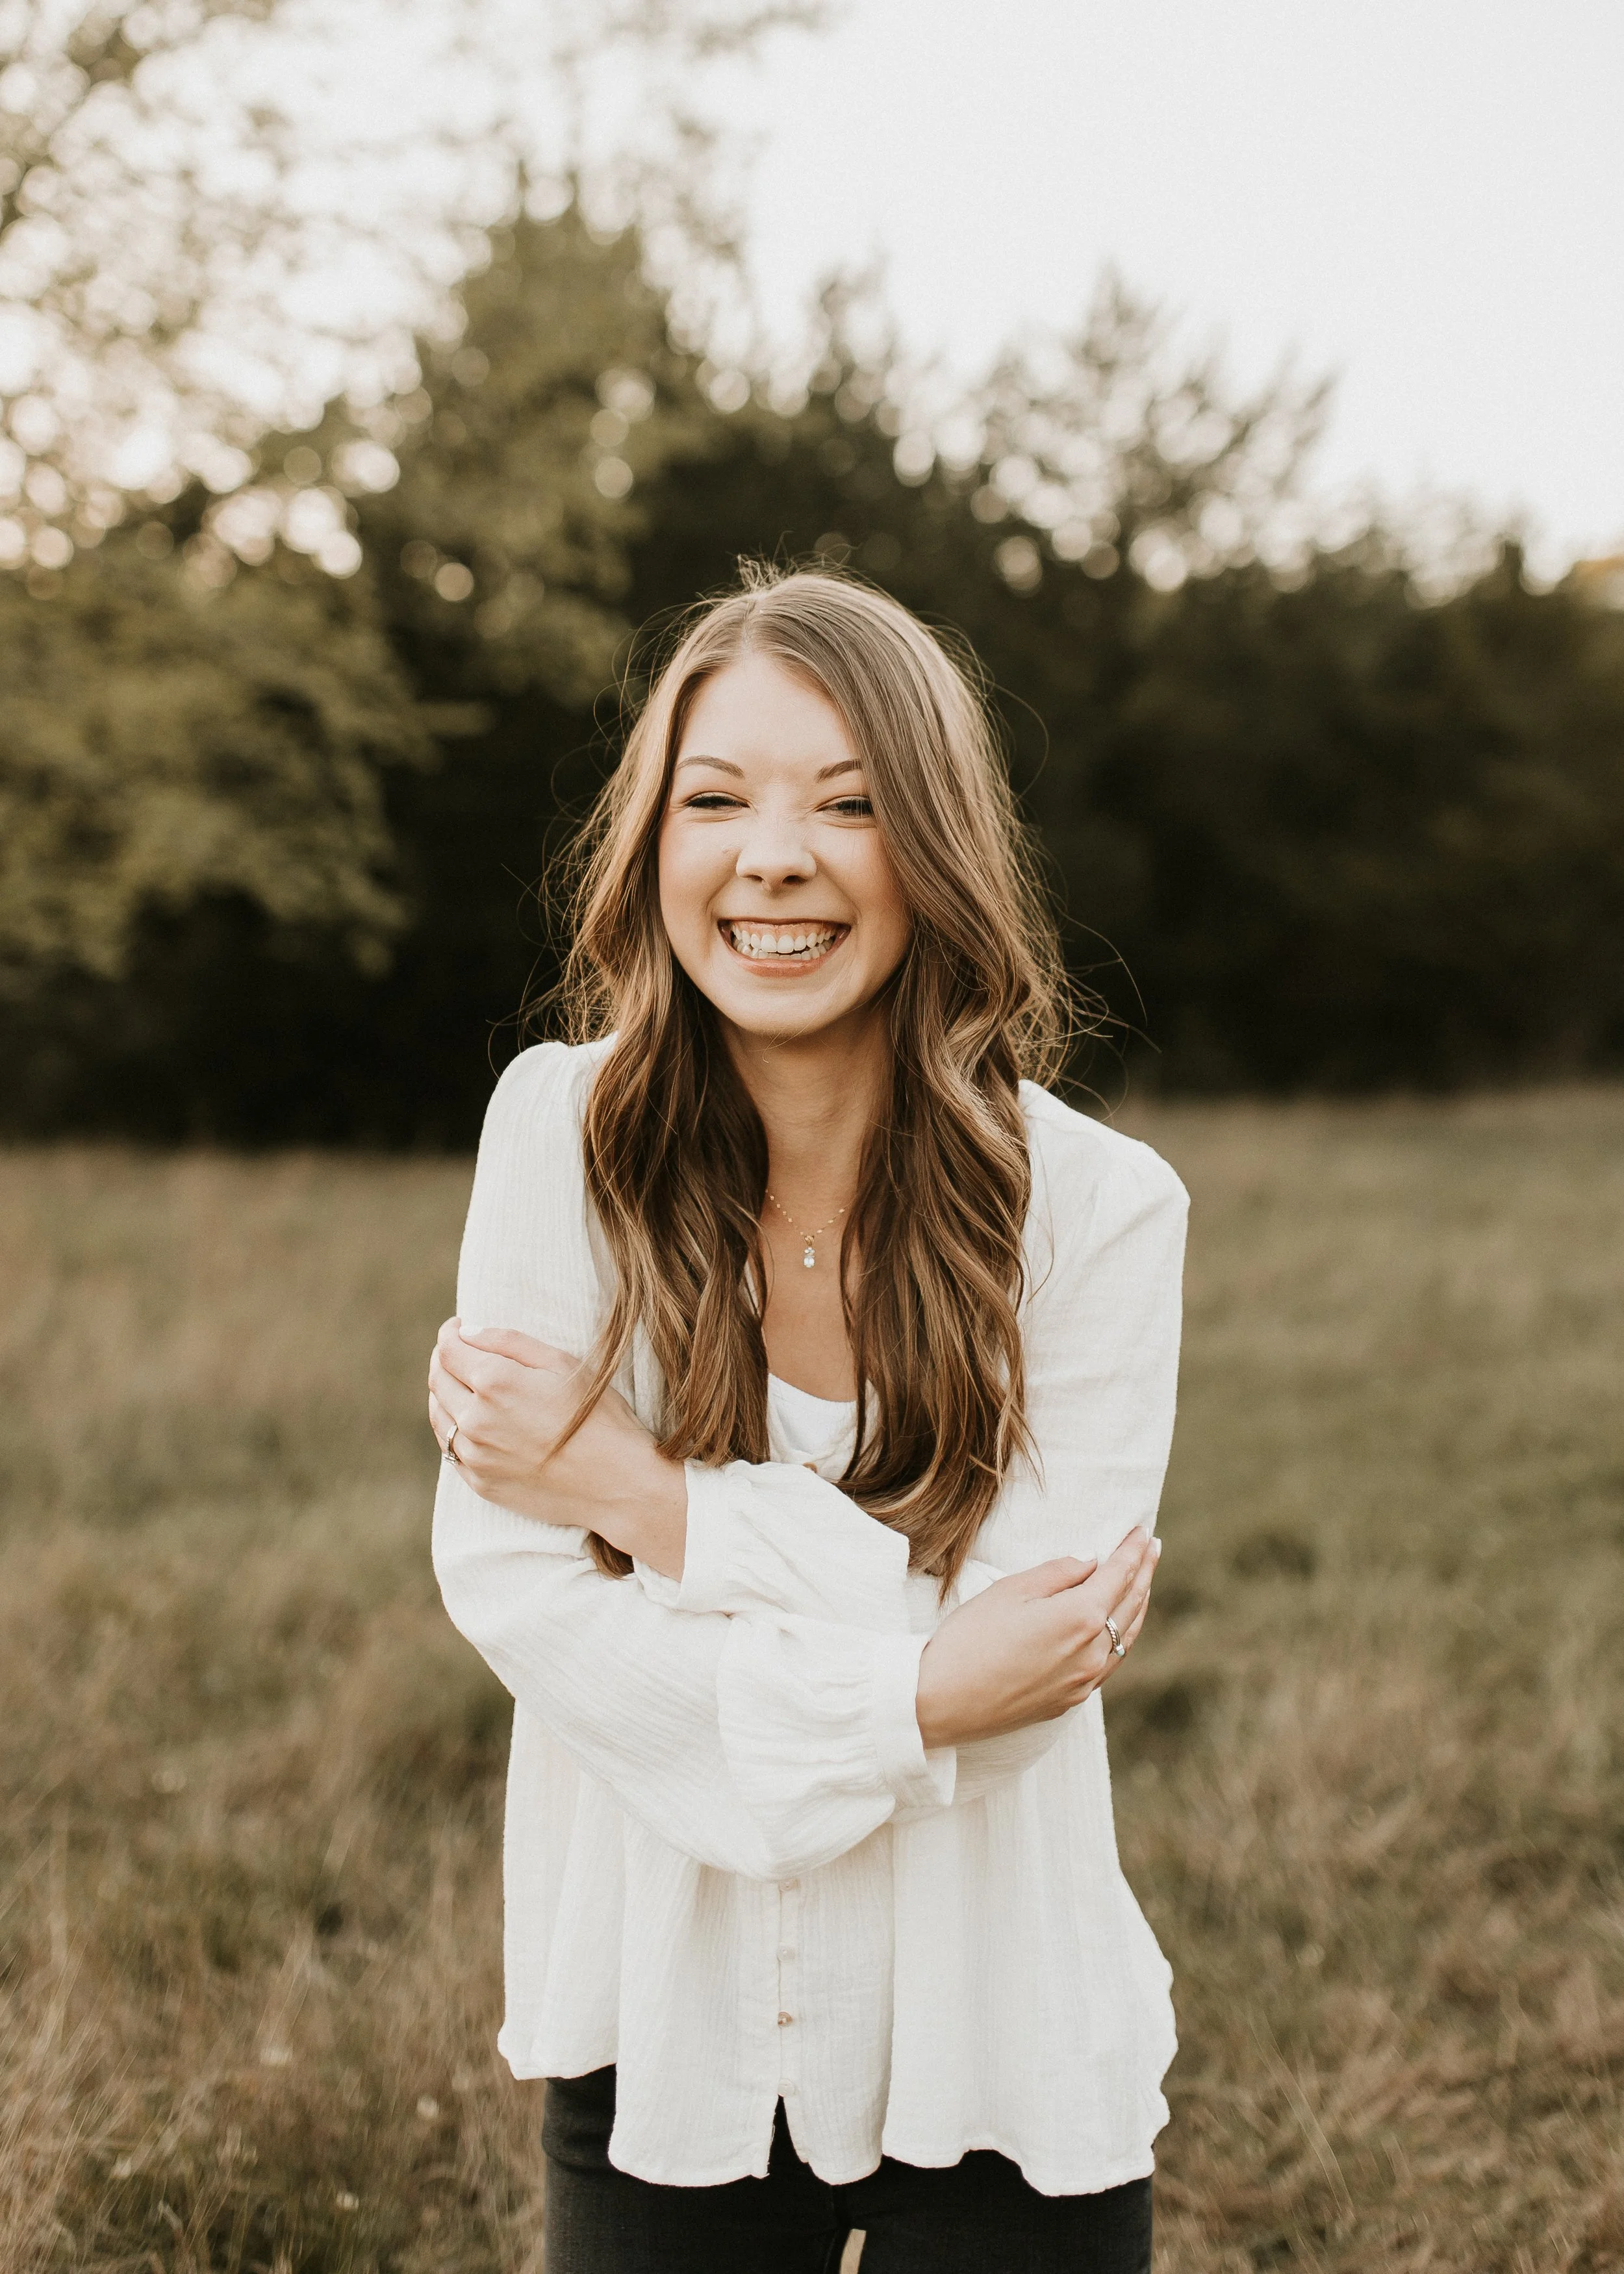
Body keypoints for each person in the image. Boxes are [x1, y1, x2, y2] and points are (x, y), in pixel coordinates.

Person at [427, 565, 1187, 2274]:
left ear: (936, 847)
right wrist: (919, 1679)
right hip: (665, 2009)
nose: (773, 852)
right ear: (654, 844)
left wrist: (643, 1493)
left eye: (846, 802)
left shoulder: (1099, 1208)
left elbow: (1028, 1681)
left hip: (1003, 2022)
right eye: (718, 798)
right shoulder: (559, 1138)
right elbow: (524, 1596)